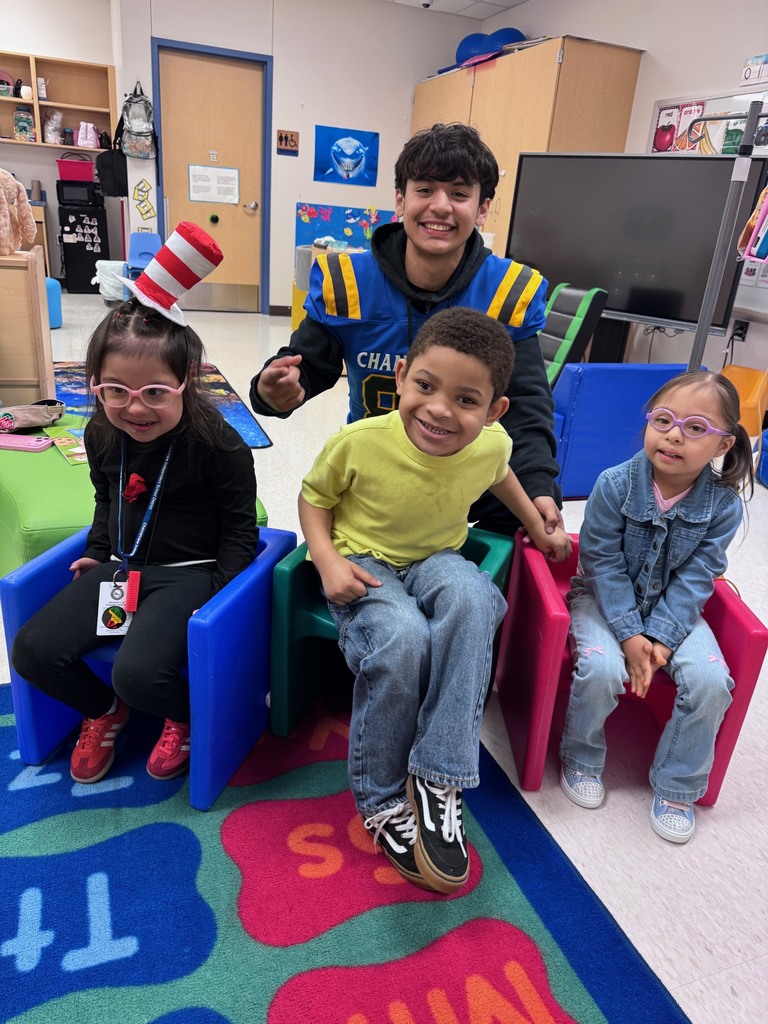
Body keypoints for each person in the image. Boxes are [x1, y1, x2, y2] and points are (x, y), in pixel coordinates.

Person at [299, 307, 572, 893]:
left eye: (466, 400)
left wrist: (537, 525)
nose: (440, 409)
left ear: (494, 410)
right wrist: (325, 560)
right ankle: (380, 799)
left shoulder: (492, 443)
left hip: (434, 556)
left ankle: (438, 773)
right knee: (403, 638)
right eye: (425, 386)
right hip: (363, 559)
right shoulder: (358, 442)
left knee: (475, 597)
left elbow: (502, 475)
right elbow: (314, 498)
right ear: (401, 376)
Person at [12, 224, 258, 785]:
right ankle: (103, 711)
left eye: (155, 392)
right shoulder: (102, 432)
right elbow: (105, 497)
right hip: (124, 570)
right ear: (94, 383)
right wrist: (101, 552)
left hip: (191, 575)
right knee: (32, 651)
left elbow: (239, 532)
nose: (135, 408)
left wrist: (219, 603)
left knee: (139, 674)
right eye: (115, 390)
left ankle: (186, 716)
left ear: (187, 381)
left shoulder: (218, 444)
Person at [252, 121, 563, 537]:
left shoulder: (508, 291)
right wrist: (274, 391)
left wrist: (539, 484)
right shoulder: (349, 282)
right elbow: (305, 366)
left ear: (482, 208)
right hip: (379, 470)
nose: (441, 206)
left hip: (468, 469)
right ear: (400, 200)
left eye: (459, 194)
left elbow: (526, 402)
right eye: (425, 189)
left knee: (530, 510)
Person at [559, 370, 755, 844]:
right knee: (601, 667)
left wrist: (661, 639)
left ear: (723, 444)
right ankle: (581, 758)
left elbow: (698, 577)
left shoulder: (723, 506)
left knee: (712, 681)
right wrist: (630, 635)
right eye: (663, 420)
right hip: (602, 598)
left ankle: (677, 785)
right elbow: (601, 562)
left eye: (695, 428)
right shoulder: (614, 484)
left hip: (674, 608)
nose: (673, 435)